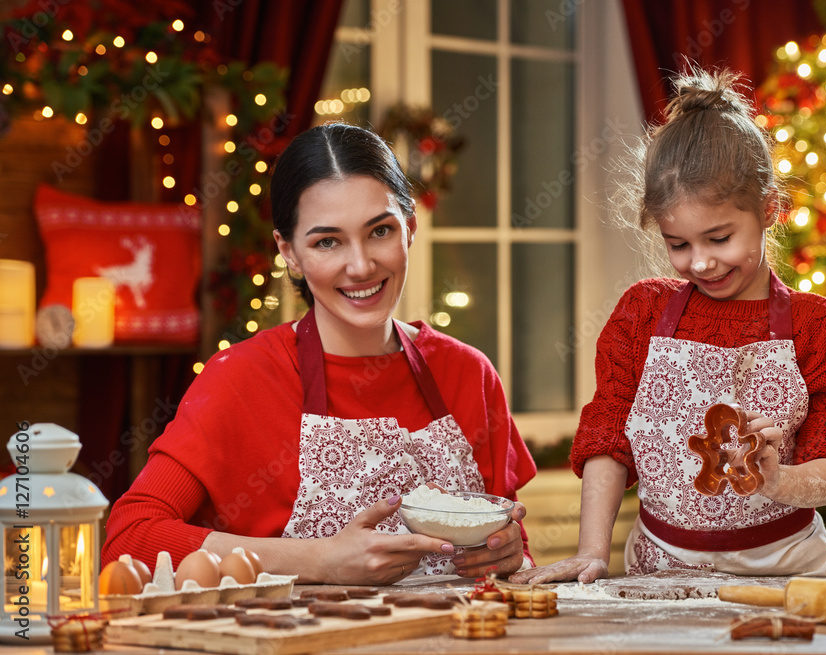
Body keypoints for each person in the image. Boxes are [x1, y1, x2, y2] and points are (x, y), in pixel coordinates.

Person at [102, 123, 536, 584]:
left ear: (409, 229)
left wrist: (506, 554)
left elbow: (512, 549)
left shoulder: (468, 373)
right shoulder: (241, 379)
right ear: (288, 252)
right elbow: (129, 539)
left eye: (380, 231)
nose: (361, 265)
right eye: (327, 241)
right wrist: (320, 560)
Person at [511, 66, 826, 584]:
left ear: (769, 209)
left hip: (786, 571)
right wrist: (593, 551)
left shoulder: (816, 326)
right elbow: (608, 439)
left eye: (719, 238)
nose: (700, 262)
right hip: (660, 570)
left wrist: (779, 480)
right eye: (678, 244)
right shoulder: (642, 314)